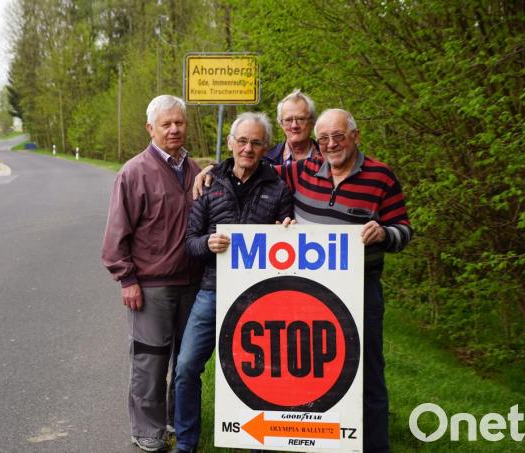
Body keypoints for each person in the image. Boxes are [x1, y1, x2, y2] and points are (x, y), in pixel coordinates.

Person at [193, 108, 412, 453]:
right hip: (308, 292)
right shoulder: (303, 170)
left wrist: (384, 233)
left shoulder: (381, 176)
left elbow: (404, 230)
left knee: (367, 376)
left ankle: (374, 447)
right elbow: (250, 165)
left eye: (337, 136)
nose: (330, 145)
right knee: (308, 371)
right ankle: (309, 440)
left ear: (355, 136)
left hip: (360, 290)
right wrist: (211, 171)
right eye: (323, 139)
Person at [170, 112, 293, 453]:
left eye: (256, 142)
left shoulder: (278, 188)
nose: (248, 148)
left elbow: (290, 238)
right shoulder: (210, 183)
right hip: (213, 290)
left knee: (263, 375)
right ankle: (186, 442)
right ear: (230, 143)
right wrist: (207, 243)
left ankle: (260, 443)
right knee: (185, 367)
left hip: (260, 298)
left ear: (266, 147)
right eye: (242, 141)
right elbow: (189, 241)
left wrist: (288, 233)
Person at [101, 94, 202, 452]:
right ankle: (147, 430)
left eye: (180, 123)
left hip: (194, 285)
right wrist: (127, 278)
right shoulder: (133, 172)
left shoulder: (196, 170)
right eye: (166, 124)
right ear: (150, 128)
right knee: (150, 362)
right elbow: (116, 235)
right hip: (153, 286)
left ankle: (177, 420)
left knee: (187, 362)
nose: (174, 129)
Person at [264, 89, 321, 164]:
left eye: (301, 119)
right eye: (288, 120)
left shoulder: (328, 156)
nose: (294, 125)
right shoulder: (266, 160)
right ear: (281, 124)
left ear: (312, 122)